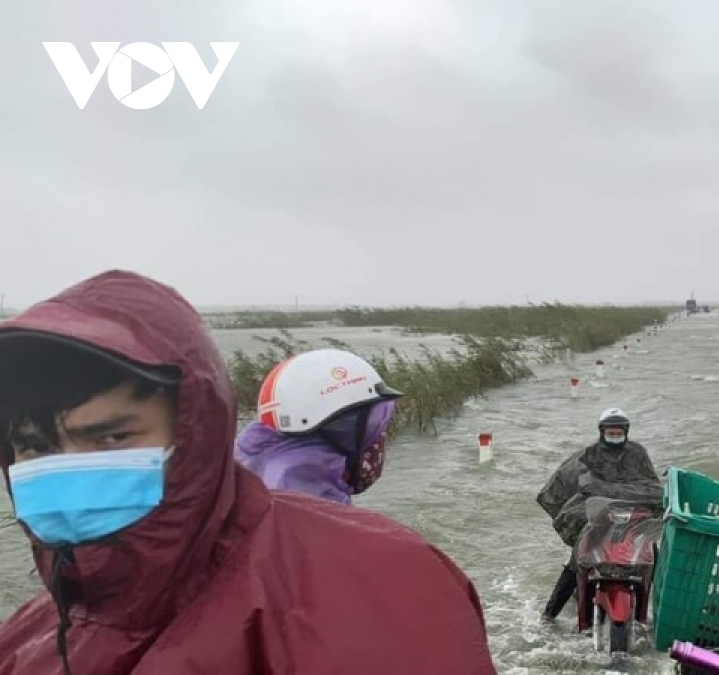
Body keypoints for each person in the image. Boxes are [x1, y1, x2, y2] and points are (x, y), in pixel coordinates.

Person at [0, 270, 496, 675]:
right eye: (35, 446)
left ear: (196, 430)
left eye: (111, 438)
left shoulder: (383, 586)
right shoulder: (25, 640)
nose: (67, 469)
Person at [536, 407, 660, 623]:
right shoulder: (590, 455)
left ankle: (657, 610)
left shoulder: (638, 454)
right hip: (599, 519)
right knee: (576, 561)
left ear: (626, 431)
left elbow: (651, 484)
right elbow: (581, 482)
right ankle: (549, 615)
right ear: (602, 432)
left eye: (618, 432)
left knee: (653, 554)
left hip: (631, 517)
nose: (615, 436)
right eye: (610, 432)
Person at [234, 348, 402, 504]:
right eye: (373, 429)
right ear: (341, 433)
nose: (378, 442)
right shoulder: (322, 513)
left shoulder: (246, 482)